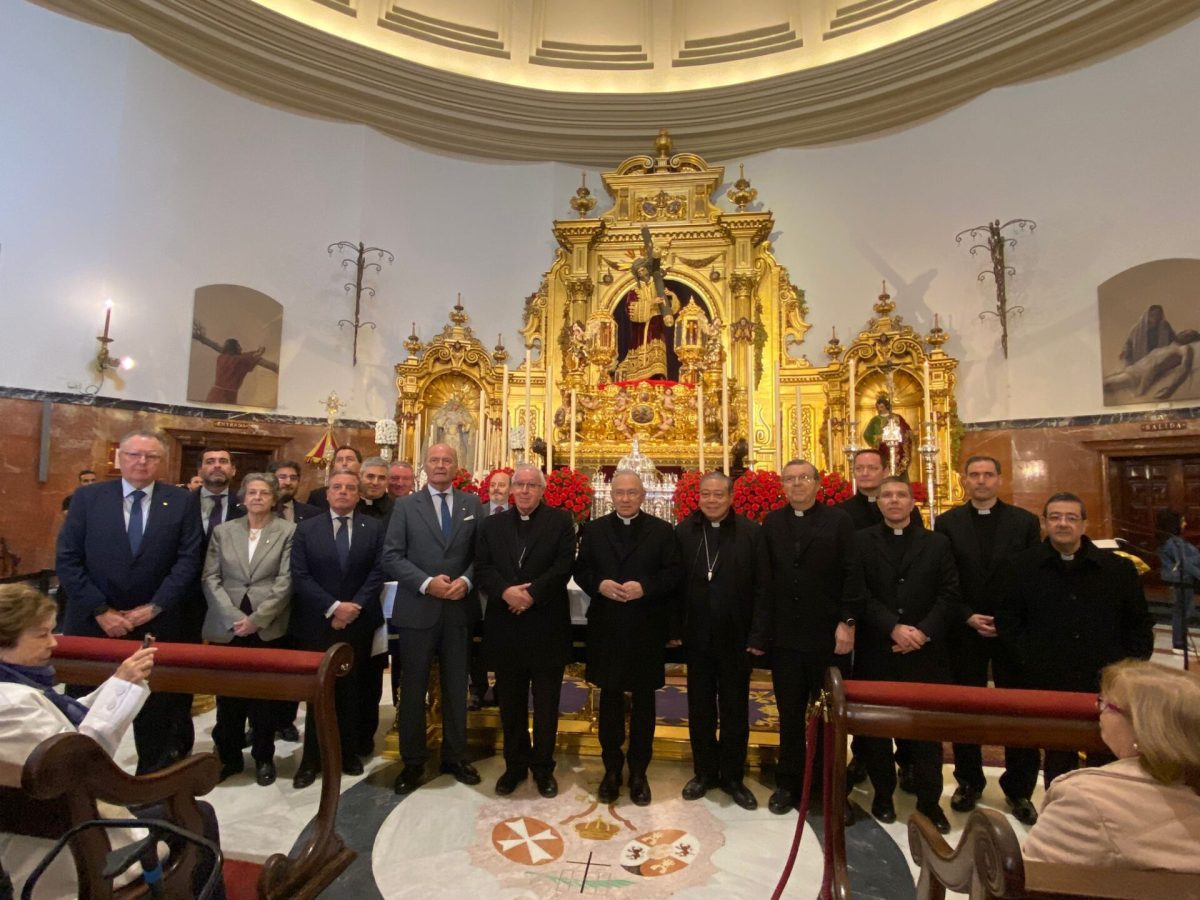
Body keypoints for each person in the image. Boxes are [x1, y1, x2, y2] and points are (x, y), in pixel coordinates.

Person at [0, 584, 224, 899]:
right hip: (71, 853)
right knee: (197, 814)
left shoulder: (16, 689)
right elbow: (81, 763)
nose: (53, 642)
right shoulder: (10, 705)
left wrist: (121, 682)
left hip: (61, 828)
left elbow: (69, 727)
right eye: (40, 635)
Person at [55, 429, 203, 774]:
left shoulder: (181, 501)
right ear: (120, 458)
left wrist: (155, 606)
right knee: (87, 715)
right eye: (134, 455)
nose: (141, 462)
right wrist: (101, 610)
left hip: (157, 625)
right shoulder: (88, 498)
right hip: (93, 628)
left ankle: (152, 792)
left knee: (158, 718)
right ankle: (80, 786)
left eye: (150, 456)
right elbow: (68, 559)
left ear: (160, 462)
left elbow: (189, 560)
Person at [996, 492, 1155, 801]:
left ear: (1084, 523)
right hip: (1045, 677)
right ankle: (1057, 808)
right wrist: (1030, 659)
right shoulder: (1021, 566)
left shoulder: (1116, 569)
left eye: (1070, 517)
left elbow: (1138, 623)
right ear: (1044, 523)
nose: (1062, 524)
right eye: (1055, 517)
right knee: (1056, 753)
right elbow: (1008, 622)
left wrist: (1127, 671)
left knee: (1106, 751)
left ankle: (1102, 807)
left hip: (1105, 678)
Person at [752, 458, 864, 816]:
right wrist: (763, 633)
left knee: (830, 717)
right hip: (786, 637)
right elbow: (764, 582)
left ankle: (831, 787)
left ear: (818, 484)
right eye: (790, 479)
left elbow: (852, 574)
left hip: (828, 636)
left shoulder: (839, 521)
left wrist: (847, 622)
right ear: (782, 486)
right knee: (789, 713)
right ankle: (789, 783)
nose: (797, 484)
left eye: (804, 478)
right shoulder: (772, 522)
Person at [934, 455, 1042, 820]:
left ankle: (1020, 789)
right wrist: (966, 615)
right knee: (966, 706)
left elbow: (1030, 577)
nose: (981, 481)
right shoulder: (947, 522)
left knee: (1017, 708)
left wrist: (1006, 619)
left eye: (988, 475)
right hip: (965, 629)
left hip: (1011, 629)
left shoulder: (1024, 522)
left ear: (999, 479)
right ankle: (968, 780)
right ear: (963, 479)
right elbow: (946, 577)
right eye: (974, 475)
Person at [1023, 660, 1200, 872]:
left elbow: (1034, 880)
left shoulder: (1084, 799)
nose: (1098, 709)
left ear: (1142, 727)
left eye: (1107, 704)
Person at [856, 476, 957, 833]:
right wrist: (892, 628)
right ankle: (883, 793)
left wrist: (922, 632)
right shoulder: (862, 542)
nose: (894, 501)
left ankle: (930, 800)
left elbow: (948, 594)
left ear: (913, 503)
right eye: (887, 495)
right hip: (879, 648)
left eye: (901, 495)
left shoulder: (937, 543)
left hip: (925, 653)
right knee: (877, 729)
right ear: (878, 502)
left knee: (926, 730)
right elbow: (860, 594)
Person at [574, 470, 681, 806]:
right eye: (619, 492)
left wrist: (645, 587)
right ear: (611, 495)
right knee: (610, 698)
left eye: (631, 492)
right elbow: (581, 569)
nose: (624, 498)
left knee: (645, 702)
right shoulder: (593, 529)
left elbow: (675, 573)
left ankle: (638, 772)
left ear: (642, 495)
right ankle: (610, 769)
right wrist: (599, 584)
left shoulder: (663, 531)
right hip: (607, 625)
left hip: (645, 626)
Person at [384, 443, 484, 795]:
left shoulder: (473, 505)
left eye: (448, 460)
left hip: (459, 609)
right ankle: (413, 761)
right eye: (435, 460)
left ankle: (456, 756)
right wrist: (427, 584)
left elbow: (482, 554)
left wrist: (467, 581)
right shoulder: (406, 506)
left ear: (458, 466)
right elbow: (392, 556)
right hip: (418, 608)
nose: (441, 465)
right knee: (413, 689)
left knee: (458, 686)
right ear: (424, 466)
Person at [475, 463, 575, 799]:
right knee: (511, 702)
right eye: (520, 484)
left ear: (543, 490)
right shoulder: (492, 524)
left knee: (547, 704)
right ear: (511, 489)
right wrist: (506, 592)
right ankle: (515, 765)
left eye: (533, 485)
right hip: (506, 624)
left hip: (545, 623)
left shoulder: (560, 521)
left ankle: (544, 768)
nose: (526, 490)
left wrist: (531, 594)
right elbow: (483, 567)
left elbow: (564, 566)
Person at [289, 470, 385, 788]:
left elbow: (378, 570)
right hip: (317, 622)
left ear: (358, 495)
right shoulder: (306, 529)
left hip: (359, 621)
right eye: (337, 487)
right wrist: (333, 607)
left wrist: (353, 607)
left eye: (350, 488)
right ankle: (311, 759)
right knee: (318, 691)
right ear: (327, 493)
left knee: (352, 689)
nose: (343, 492)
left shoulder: (373, 528)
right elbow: (300, 575)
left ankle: (348, 754)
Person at [201, 473, 295, 787]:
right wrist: (232, 617)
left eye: (264, 493)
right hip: (228, 626)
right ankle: (228, 757)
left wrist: (256, 619)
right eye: (252, 492)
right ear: (243, 497)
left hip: (266, 626)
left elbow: (286, 581)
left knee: (264, 698)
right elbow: (210, 578)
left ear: (274, 498)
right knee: (228, 697)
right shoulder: (223, 531)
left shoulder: (288, 531)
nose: (257, 498)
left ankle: (264, 756)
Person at [675, 472, 761, 811]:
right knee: (699, 708)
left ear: (730, 497)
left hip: (736, 636)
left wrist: (757, 634)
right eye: (706, 494)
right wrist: (674, 629)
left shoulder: (752, 533)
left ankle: (733, 777)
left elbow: (762, 587)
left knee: (736, 708)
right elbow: (674, 583)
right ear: (698, 496)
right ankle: (704, 772)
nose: (711, 500)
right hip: (696, 636)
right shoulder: (683, 532)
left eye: (718, 495)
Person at [1104, 329, 1199, 400]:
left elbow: (1184, 369)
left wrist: (1171, 389)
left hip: (1139, 376)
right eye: (1185, 331)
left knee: (1105, 385)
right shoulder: (1169, 345)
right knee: (1105, 386)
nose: (1185, 333)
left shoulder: (1185, 349)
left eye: (1190, 335)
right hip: (1133, 370)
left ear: (1192, 340)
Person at [1156, 509, 1200, 657]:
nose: (1185, 523)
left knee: (1185, 612)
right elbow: (1185, 563)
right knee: (1181, 613)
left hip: (1185, 581)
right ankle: (1179, 644)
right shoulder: (1172, 542)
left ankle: (1182, 642)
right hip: (1180, 581)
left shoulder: (1174, 540)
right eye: (1182, 521)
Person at [205, 338, 267, 404]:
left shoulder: (221, 357)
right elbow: (244, 359)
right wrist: (258, 353)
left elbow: (243, 357)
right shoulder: (237, 360)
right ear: (233, 348)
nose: (241, 348)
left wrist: (256, 352)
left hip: (216, 393)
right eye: (238, 346)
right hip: (225, 396)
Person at [862, 394, 913, 475]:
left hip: (897, 450)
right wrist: (878, 438)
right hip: (882, 450)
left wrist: (901, 436)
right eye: (878, 407)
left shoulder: (897, 417)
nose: (880, 409)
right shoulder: (875, 420)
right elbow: (867, 435)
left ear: (887, 406)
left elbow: (906, 432)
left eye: (881, 407)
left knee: (897, 472)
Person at [839, 449, 886, 530]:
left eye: (872, 468)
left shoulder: (901, 508)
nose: (865, 473)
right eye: (859, 468)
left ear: (885, 472)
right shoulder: (840, 513)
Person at [268, 459, 319, 524]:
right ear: (271, 480)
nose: (288, 482)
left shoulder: (313, 514)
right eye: (282, 477)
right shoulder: (257, 510)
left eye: (293, 478)